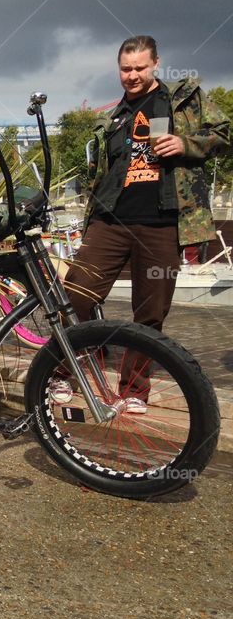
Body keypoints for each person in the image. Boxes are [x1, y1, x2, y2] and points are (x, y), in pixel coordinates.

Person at [59, 34, 230, 410]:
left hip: (162, 222)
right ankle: (64, 374)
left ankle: (134, 392)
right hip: (110, 219)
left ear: (155, 64)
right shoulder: (113, 116)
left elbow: (223, 134)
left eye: (139, 68)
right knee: (75, 296)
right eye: (125, 68)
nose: (132, 75)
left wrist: (186, 144)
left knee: (149, 313)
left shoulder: (184, 99)